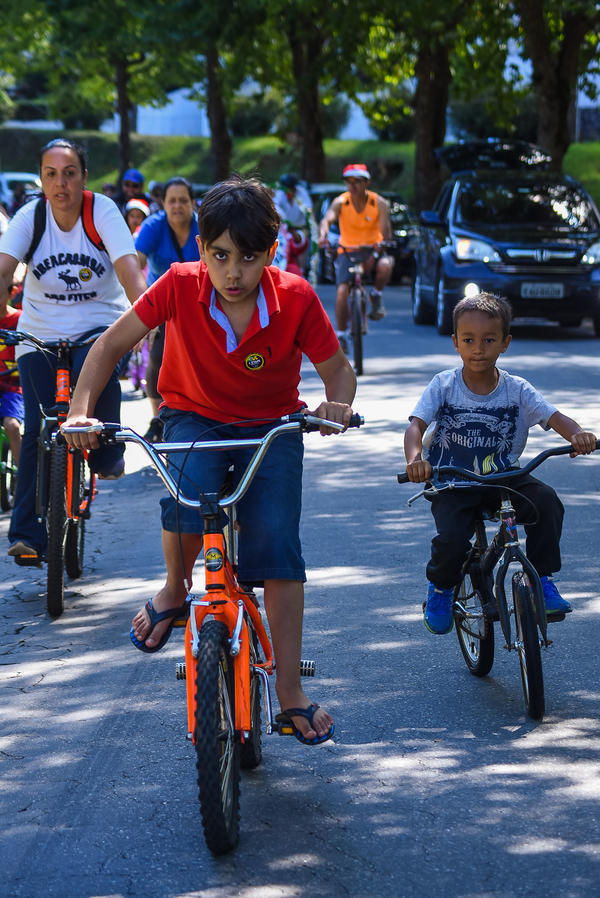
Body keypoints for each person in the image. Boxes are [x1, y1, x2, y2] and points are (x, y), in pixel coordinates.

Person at [63, 175, 356, 745]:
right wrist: (79, 409)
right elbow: (110, 346)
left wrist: (338, 405)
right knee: (187, 497)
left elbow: (338, 370)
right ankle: (176, 588)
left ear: (272, 253)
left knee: (276, 547)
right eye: (220, 256)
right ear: (201, 250)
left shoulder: (295, 296)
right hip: (193, 418)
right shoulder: (176, 284)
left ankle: (290, 690)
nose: (233, 273)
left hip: (272, 425)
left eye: (249, 258)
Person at [403, 293, 597, 635]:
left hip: (503, 478)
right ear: (455, 343)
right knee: (451, 540)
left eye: (489, 340)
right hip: (452, 481)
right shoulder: (444, 385)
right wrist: (415, 460)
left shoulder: (517, 389)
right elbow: (415, 427)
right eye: (469, 340)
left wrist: (578, 435)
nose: (478, 348)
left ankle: (543, 580)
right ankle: (441, 589)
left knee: (547, 502)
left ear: (505, 343)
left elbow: (554, 418)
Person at [0, 138, 147, 565]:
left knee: (96, 371)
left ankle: (105, 449)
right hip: (39, 331)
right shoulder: (31, 216)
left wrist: (146, 317)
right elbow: (4, 269)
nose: (60, 183)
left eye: (69, 173)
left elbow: (128, 271)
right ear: (41, 179)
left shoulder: (102, 212)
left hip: (99, 326)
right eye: (51, 174)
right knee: (37, 426)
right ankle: (27, 534)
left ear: (84, 177)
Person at [134, 176, 200, 442]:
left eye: (183, 200)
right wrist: (141, 310)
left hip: (199, 305)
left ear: (192, 203)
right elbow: (135, 265)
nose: (177, 206)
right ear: (163, 203)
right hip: (161, 305)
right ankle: (158, 419)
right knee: (158, 364)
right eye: (171, 201)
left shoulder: (203, 226)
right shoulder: (152, 227)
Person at [318, 163, 393, 351]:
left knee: (386, 265)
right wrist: (323, 236)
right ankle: (341, 335)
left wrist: (382, 245)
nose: (352, 186)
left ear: (366, 182)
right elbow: (327, 220)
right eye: (348, 182)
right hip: (347, 250)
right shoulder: (341, 202)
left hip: (372, 248)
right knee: (342, 291)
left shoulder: (379, 203)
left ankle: (376, 295)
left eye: (357, 181)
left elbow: (385, 232)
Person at [0, 289, 23, 466]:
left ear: (10, 293)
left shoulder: (21, 319)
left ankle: (24, 477)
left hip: (15, 386)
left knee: (12, 426)